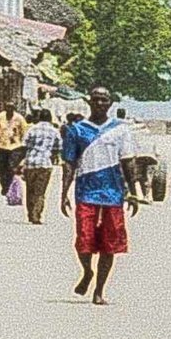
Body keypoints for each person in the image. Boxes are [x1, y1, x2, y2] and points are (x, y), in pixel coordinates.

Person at [59, 87, 141, 305]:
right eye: (95, 100)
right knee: (84, 240)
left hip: (113, 194)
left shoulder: (120, 130)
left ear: (110, 102)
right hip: (85, 192)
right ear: (89, 102)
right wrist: (63, 192)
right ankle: (87, 271)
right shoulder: (76, 130)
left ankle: (99, 290)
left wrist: (133, 192)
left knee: (110, 244)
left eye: (104, 100)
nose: (100, 103)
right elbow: (69, 164)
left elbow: (128, 161)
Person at [19, 106, 60, 224]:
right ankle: (37, 215)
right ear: (50, 118)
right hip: (45, 164)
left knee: (30, 189)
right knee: (40, 191)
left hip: (30, 163)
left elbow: (24, 145)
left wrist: (20, 161)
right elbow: (58, 148)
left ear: (39, 117)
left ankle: (30, 214)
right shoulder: (54, 131)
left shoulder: (32, 129)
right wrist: (52, 156)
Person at [0, 103, 28, 199]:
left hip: (15, 146)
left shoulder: (19, 118)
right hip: (2, 146)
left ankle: (9, 187)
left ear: (14, 109)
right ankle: (4, 186)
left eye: (11, 108)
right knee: (2, 168)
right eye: (7, 108)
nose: (9, 110)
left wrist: (24, 147)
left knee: (11, 167)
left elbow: (24, 132)